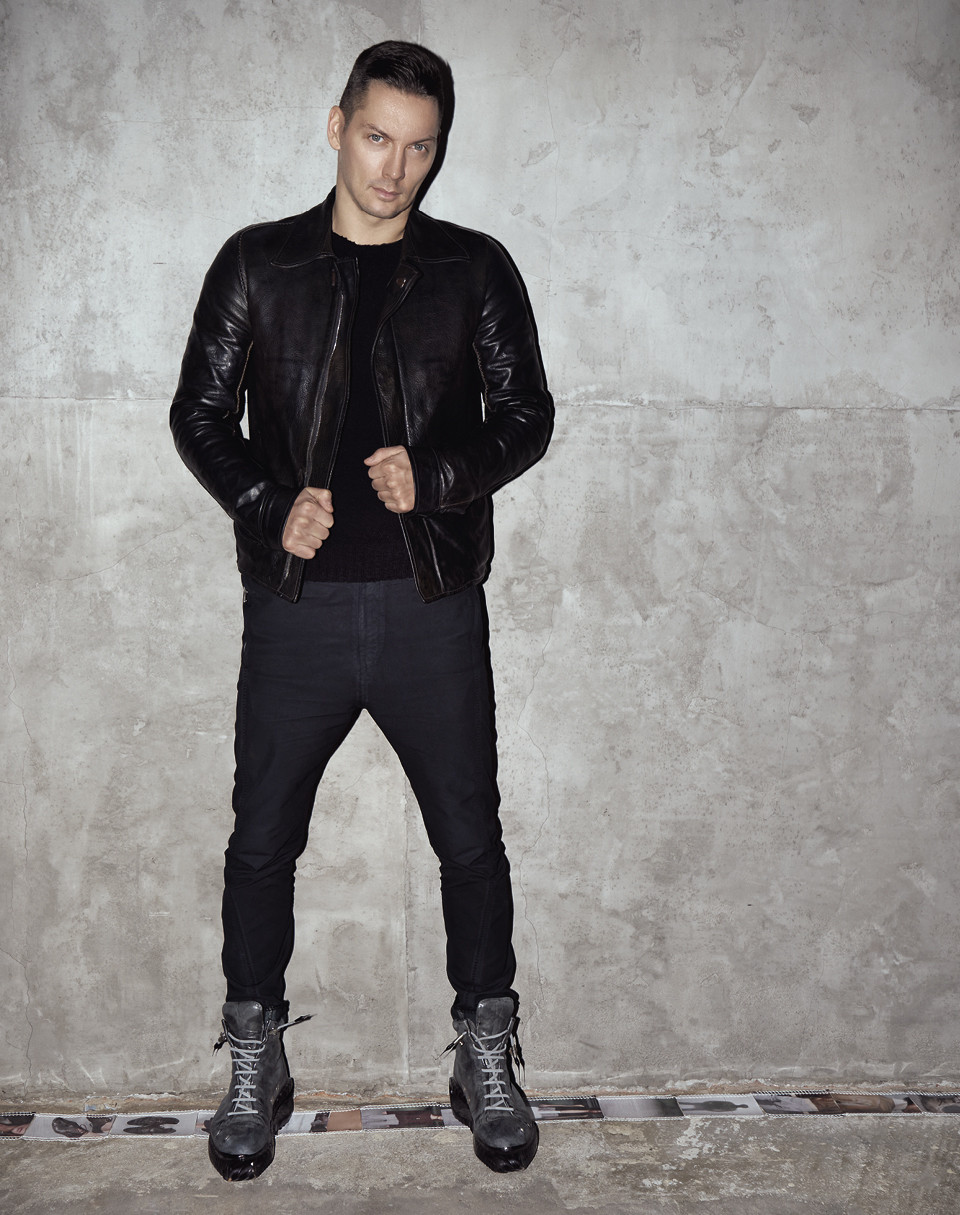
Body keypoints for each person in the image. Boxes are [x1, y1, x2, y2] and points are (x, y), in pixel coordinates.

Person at [170, 40, 553, 1183]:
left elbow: (526, 414)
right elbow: (199, 412)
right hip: (299, 610)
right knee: (261, 842)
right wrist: (262, 500)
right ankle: (256, 1057)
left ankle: (484, 1053)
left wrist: (438, 477)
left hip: (432, 604)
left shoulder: (473, 268)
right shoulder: (259, 262)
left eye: (420, 147)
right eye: (378, 137)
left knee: (470, 839)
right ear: (336, 126)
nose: (396, 168)